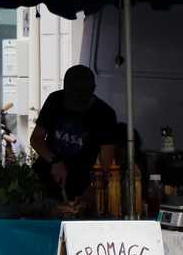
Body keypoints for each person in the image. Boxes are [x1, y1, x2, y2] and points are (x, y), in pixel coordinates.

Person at [31, 65, 121, 205]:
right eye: (71, 98)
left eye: (80, 100)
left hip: (81, 188)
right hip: (45, 180)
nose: (75, 103)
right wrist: (54, 161)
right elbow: (36, 139)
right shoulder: (55, 100)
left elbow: (106, 163)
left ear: (93, 90)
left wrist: (95, 188)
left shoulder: (104, 114)